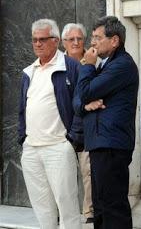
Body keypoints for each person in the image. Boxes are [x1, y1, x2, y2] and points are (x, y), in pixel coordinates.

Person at [73, 16, 139, 228]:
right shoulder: (104, 66)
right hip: (99, 144)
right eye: (92, 37)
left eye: (97, 37)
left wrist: (87, 66)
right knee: (100, 208)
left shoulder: (122, 65)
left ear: (115, 41)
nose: (92, 43)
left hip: (111, 146)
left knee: (113, 208)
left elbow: (84, 91)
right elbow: (77, 100)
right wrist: (85, 106)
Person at [18, 19, 82, 228]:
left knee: (67, 206)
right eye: (34, 40)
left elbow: (81, 105)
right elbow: (22, 109)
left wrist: (71, 139)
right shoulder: (29, 72)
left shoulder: (70, 66)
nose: (37, 44)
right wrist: (23, 137)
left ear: (55, 41)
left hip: (58, 147)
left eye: (42, 39)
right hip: (32, 149)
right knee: (42, 207)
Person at [62, 23, 94, 224]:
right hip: (60, 129)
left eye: (79, 38)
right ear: (63, 42)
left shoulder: (92, 61)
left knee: (89, 172)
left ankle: (89, 212)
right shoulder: (56, 63)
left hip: (86, 126)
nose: (76, 42)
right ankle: (63, 210)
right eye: (71, 39)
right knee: (62, 175)